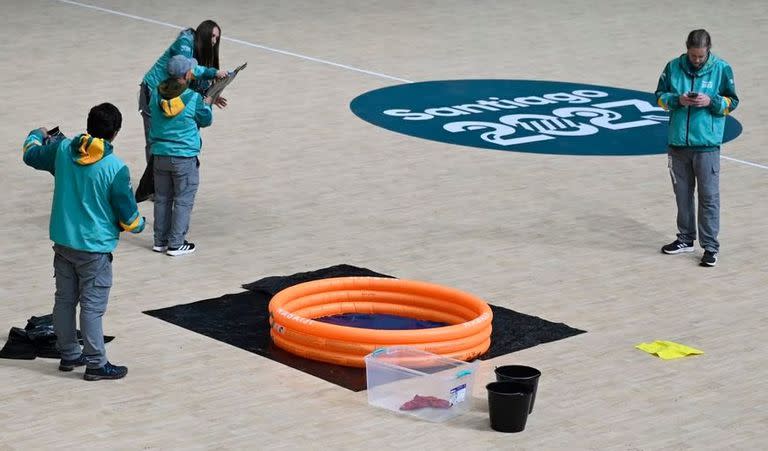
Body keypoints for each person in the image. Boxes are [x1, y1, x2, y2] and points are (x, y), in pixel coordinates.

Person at [22, 103, 145, 380]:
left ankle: (68, 355)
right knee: (92, 307)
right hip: (94, 250)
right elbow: (130, 220)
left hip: (63, 243)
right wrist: (140, 225)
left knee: (64, 301)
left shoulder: (63, 150)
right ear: (115, 133)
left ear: (89, 125)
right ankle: (96, 364)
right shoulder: (115, 168)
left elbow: (30, 154)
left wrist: (36, 133)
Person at [655, 29, 739, 267]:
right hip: (678, 144)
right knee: (682, 195)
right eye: (693, 56)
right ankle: (685, 239)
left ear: (708, 50)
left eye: (701, 56)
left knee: (709, 197)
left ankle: (710, 247)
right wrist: (676, 100)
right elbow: (659, 97)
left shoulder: (722, 68)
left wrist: (710, 101)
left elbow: (732, 102)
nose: (697, 60)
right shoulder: (672, 67)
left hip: (707, 145)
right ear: (687, 49)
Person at [135, 20, 228, 202]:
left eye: (218, 38)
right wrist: (212, 73)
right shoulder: (185, 42)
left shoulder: (199, 51)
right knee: (155, 140)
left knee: (166, 138)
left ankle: (160, 183)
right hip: (154, 91)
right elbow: (187, 69)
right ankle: (152, 188)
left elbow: (190, 80)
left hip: (172, 94)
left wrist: (211, 95)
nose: (214, 41)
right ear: (203, 34)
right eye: (212, 36)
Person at [149, 55, 214, 256]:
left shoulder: (155, 94)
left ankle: (160, 241)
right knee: (183, 200)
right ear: (186, 74)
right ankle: (176, 243)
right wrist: (208, 102)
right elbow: (205, 120)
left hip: (159, 155)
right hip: (184, 157)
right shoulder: (193, 98)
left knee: (162, 199)